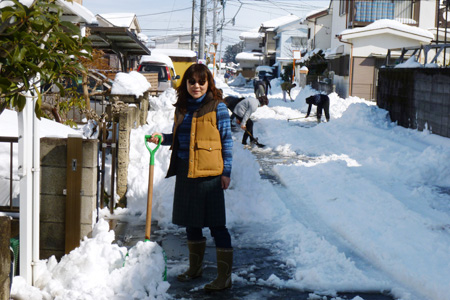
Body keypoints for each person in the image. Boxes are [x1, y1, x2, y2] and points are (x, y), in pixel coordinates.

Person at [148, 63, 233, 291]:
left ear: (208, 84)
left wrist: (227, 172)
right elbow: (179, 138)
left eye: (201, 82)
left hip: (210, 175)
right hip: (186, 171)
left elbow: (227, 141)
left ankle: (224, 277)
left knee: (217, 225)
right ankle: (195, 269)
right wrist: (162, 138)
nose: (196, 86)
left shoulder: (218, 108)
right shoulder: (182, 108)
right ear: (185, 84)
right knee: (191, 224)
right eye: (192, 81)